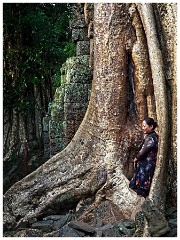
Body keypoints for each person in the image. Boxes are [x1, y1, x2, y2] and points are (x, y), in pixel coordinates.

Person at [129, 117, 158, 198]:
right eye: (142, 126)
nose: (143, 128)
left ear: (151, 126)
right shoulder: (151, 136)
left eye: (144, 126)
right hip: (145, 166)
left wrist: (136, 158)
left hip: (146, 167)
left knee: (142, 189)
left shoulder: (151, 138)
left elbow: (143, 151)